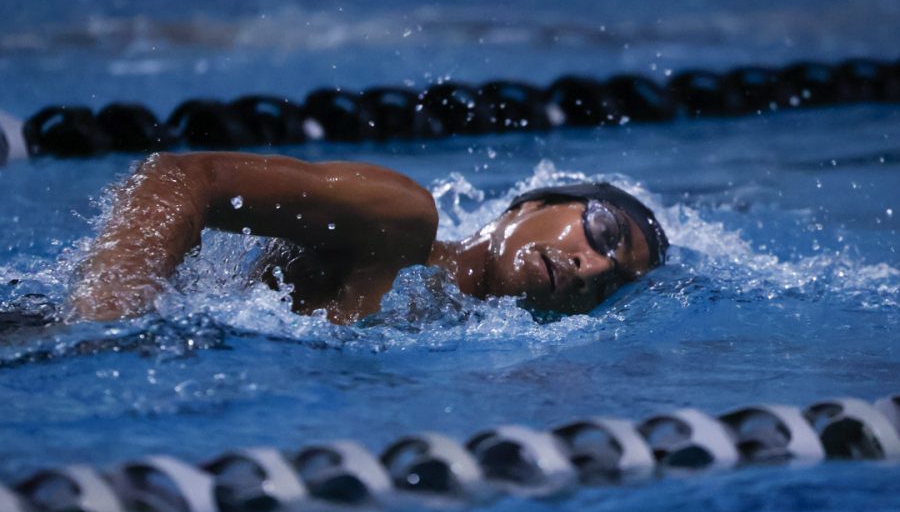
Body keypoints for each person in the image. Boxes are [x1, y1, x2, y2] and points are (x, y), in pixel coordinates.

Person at [68, 152, 668, 324]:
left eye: (611, 281)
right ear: (532, 203)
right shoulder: (400, 221)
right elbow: (180, 177)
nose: (591, 267)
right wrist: (108, 319)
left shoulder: (457, 332)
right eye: (603, 232)